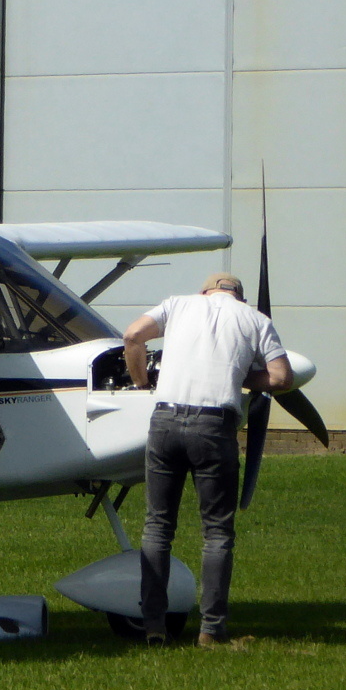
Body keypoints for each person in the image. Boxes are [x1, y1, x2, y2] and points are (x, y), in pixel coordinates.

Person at [122, 273, 293, 648]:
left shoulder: (177, 304)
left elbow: (133, 336)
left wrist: (141, 385)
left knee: (157, 527)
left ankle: (153, 626)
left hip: (164, 422)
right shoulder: (256, 321)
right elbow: (282, 377)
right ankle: (211, 630)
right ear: (240, 298)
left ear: (205, 292)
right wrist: (245, 378)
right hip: (214, 427)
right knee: (216, 532)